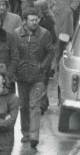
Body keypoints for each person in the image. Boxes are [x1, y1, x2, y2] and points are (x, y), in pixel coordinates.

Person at [14, 8, 53, 148]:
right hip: (22, 77)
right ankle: (25, 133)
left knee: (34, 105)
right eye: (32, 20)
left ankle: (34, 136)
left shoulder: (44, 34)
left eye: (36, 20)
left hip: (38, 77)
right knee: (23, 105)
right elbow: (14, 53)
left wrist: (42, 67)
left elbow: (50, 52)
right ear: (25, 21)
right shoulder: (17, 34)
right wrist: (17, 68)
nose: (35, 22)